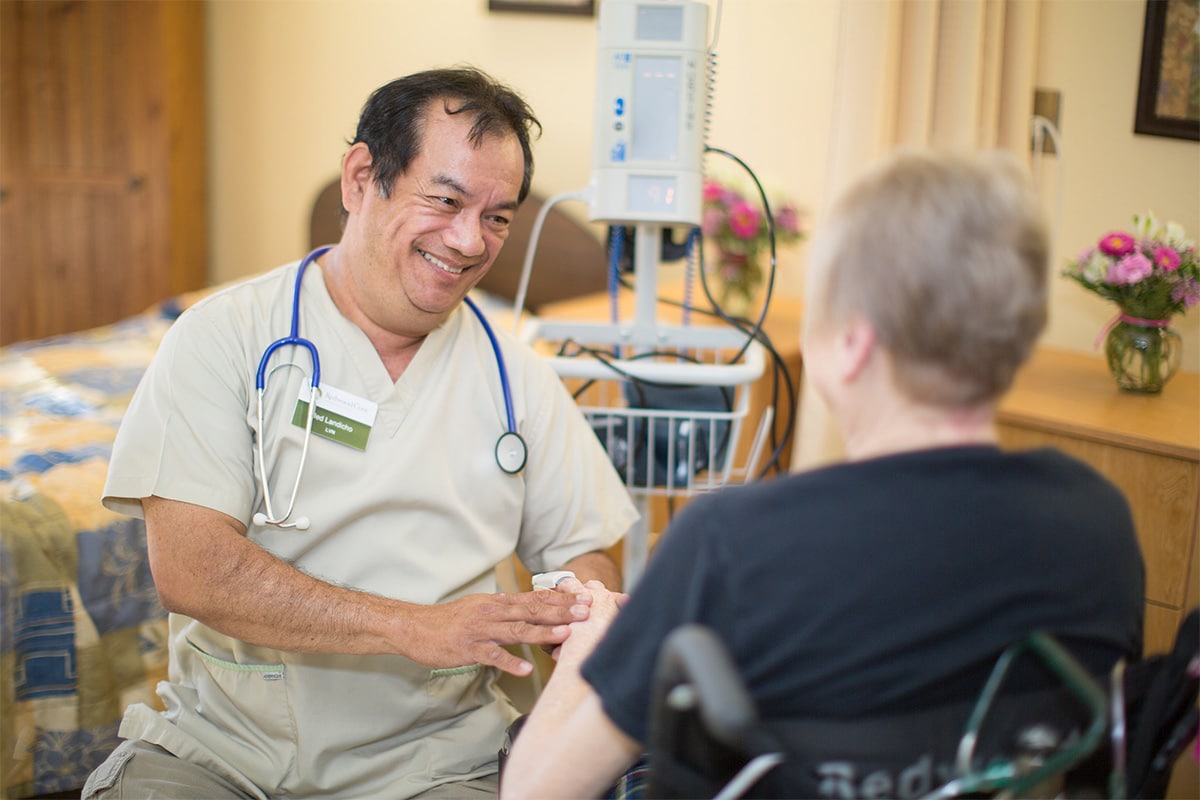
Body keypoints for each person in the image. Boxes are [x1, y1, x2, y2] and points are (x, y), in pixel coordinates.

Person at [499, 149, 1146, 799]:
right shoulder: (1099, 522)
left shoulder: (734, 547)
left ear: (853, 342)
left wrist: (592, 655)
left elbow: (533, 794)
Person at [82, 67, 637, 800]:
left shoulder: (517, 376)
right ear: (360, 178)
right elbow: (189, 567)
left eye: (498, 217)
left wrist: (583, 603)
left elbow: (584, 550)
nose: (470, 240)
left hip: (434, 765)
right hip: (218, 749)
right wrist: (415, 627)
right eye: (445, 200)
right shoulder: (225, 337)